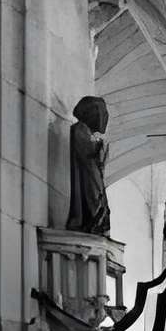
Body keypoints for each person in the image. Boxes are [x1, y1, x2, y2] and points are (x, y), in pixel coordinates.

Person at [66, 95, 111, 236]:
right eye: (101, 112)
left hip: (92, 174)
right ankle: (91, 220)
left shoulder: (86, 132)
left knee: (97, 198)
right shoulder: (80, 129)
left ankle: (96, 220)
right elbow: (88, 154)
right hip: (87, 177)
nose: (103, 117)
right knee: (93, 199)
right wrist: (99, 148)